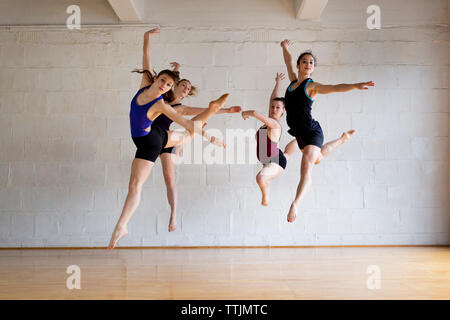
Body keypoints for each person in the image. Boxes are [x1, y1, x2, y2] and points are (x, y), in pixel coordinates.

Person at [108, 28, 229, 249]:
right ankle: (121, 226)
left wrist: (212, 138)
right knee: (135, 185)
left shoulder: (161, 104)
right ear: (157, 78)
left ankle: (211, 110)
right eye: (163, 81)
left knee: (185, 135)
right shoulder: (146, 83)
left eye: (168, 86)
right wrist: (146, 37)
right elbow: (146, 57)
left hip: (152, 140)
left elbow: (186, 121)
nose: (164, 85)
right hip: (146, 139)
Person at [280, 39, 374, 223]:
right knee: (318, 159)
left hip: (312, 132)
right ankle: (342, 139)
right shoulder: (292, 83)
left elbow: (334, 87)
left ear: (313, 68)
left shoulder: (311, 86)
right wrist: (284, 47)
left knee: (306, 168)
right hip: (299, 134)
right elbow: (287, 61)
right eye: (304, 61)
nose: (308, 64)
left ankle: (295, 204)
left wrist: (354, 85)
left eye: (311, 63)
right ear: (299, 65)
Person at [154, 62, 242, 232]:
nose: (186, 89)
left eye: (188, 88)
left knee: (169, 179)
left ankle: (173, 215)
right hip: (154, 137)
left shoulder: (181, 107)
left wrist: (227, 110)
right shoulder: (163, 97)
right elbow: (168, 80)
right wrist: (176, 69)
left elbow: (203, 110)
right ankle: (184, 144)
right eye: (183, 85)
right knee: (192, 129)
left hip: (167, 141)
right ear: (176, 86)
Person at [241, 72, 298, 206]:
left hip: (275, 162)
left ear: (283, 111)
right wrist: (277, 82)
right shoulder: (269, 120)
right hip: (272, 157)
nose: (273, 109)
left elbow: (255, 113)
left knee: (260, 178)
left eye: (278, 108)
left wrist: (247, 113)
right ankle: (301, 138)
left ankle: (265, 195)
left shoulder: (274, 125)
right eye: (272, 107)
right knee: (286, 154)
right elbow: (272, 99)